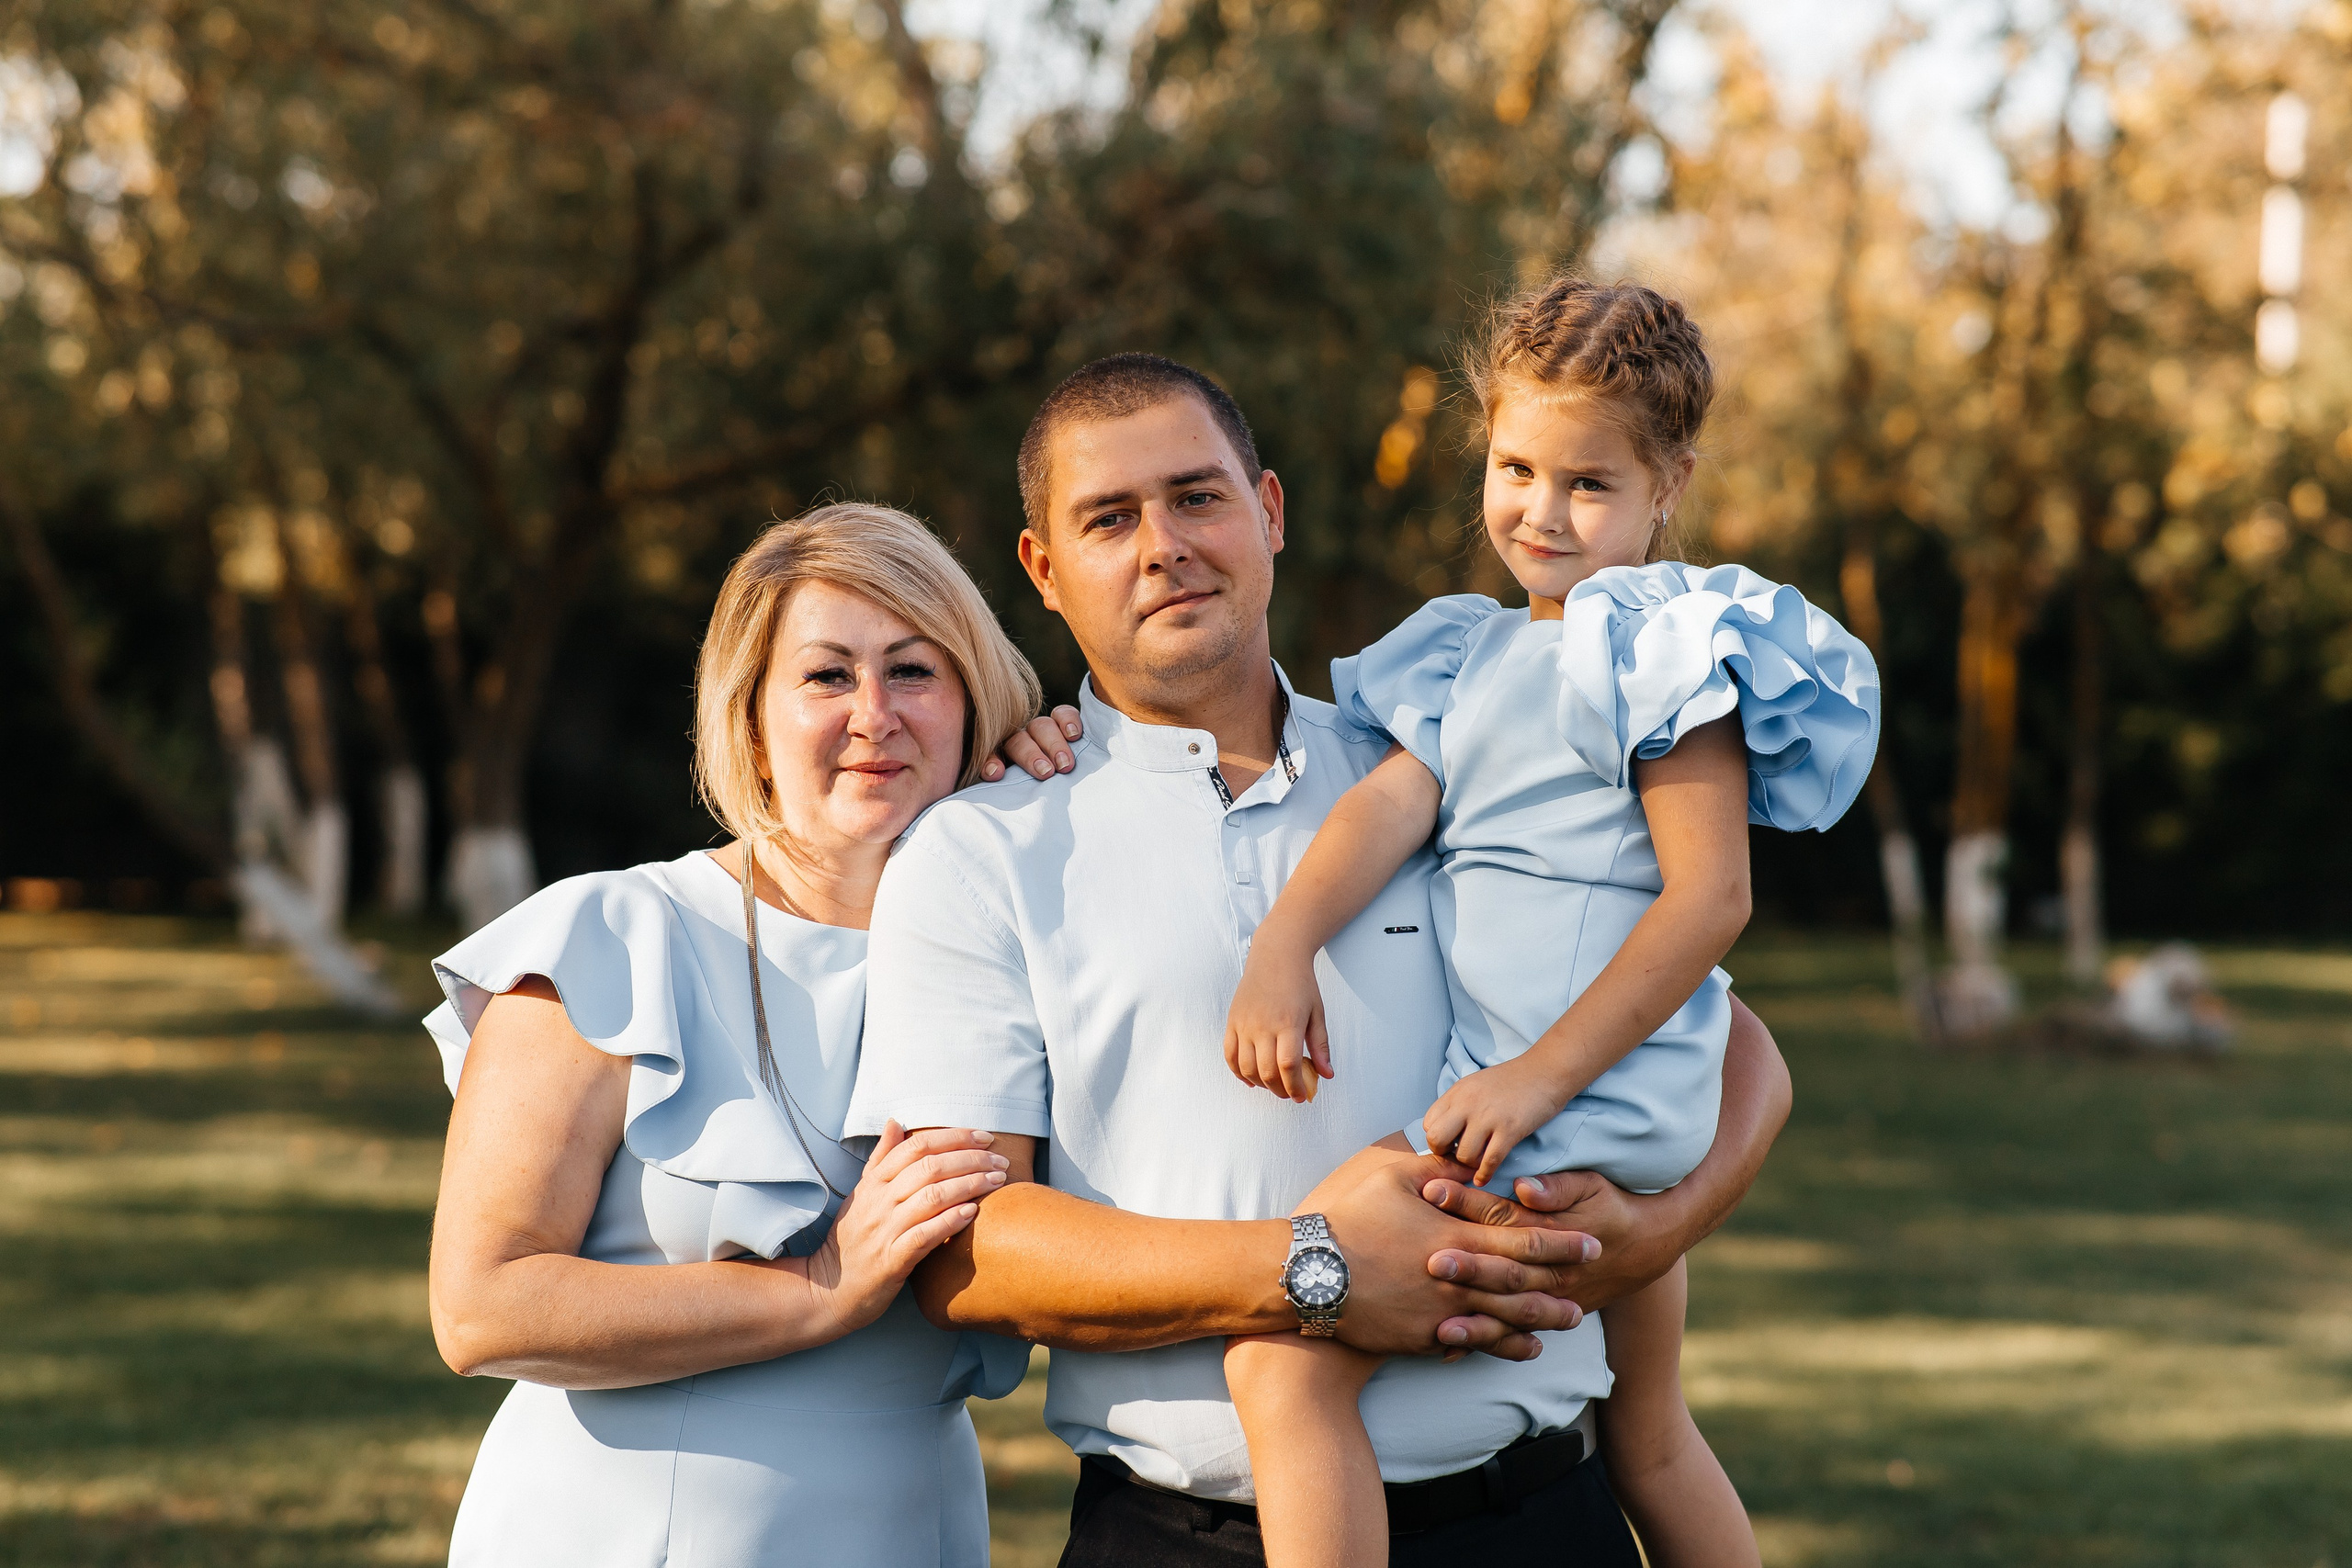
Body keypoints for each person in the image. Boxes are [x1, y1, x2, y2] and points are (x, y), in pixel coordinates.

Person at [843, 352, 1798, 1565]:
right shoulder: (984, 847)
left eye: (1198, 496)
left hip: (1546, 1513)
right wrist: (1319, 1270)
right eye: (1108, 517)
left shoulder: (1451, 760)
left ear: (1270, 512)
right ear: (1043, 566)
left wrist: (1660, 1227)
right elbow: (966, 1255)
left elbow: (1731, 1039)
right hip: (1186, 1537)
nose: (1163, 544)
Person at [1219, 276, 1881, 1568]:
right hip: (1590, 1104)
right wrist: (1279, 946)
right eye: (1517, 465)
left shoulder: (1663, 646)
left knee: (1279, 1364)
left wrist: (1529, 1080)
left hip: (1573, 1098)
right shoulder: (1473, 653)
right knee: (1650, 1428)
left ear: (1667, 483)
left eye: (1589, 482)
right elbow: (1383, 812)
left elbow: (1714, 896)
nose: (1542, 509)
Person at [422, 503, 1085, 1567]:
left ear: (974, 702)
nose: (874, 715)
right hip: (620, 1535)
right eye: (826, 677)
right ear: (752, 719)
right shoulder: (614, 935)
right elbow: (481, 1308)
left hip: (910, 1529)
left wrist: (1069, 790)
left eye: (914, 672)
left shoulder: (1032, 943)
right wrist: (818, 1288)